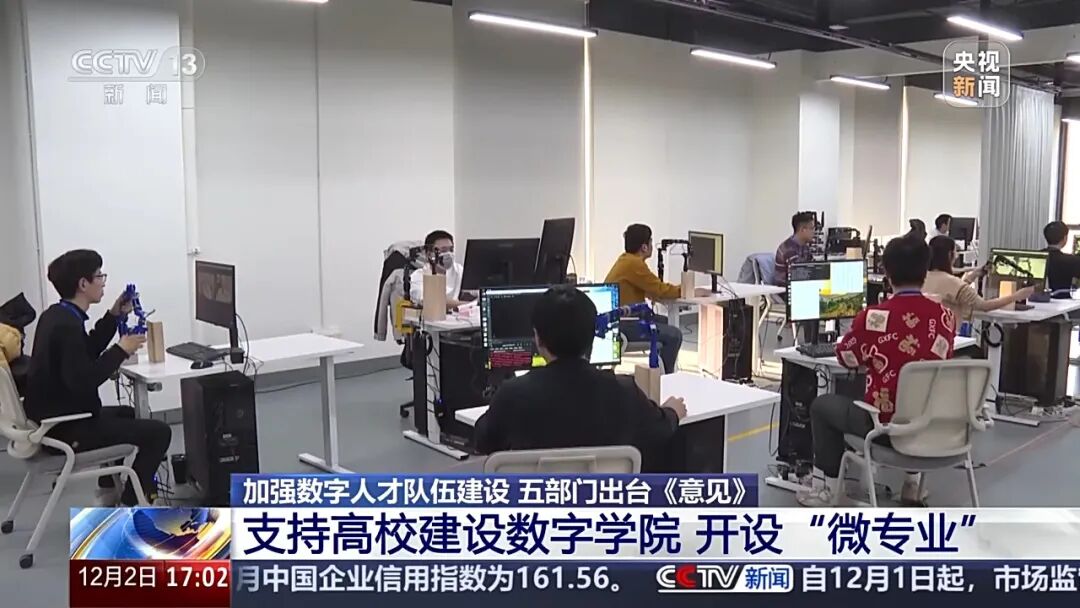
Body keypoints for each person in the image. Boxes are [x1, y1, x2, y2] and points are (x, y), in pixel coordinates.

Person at [797, 236, 956, 508]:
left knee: (823, 406)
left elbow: (847, 356)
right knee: (915, 397)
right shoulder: (945, 316)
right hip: (927, 426)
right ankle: (912, 485)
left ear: (887, 273)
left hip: (883, 429)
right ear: (925, 271)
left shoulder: (874, 317)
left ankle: (828, 489)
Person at [474, 285, 686, 471]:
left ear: (538, 338)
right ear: (594, 334)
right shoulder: (623, 390)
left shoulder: (513, 394)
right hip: (601, 500)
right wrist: (672, 411)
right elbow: (660, 429)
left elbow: (484, 442)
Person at [25, 250, 171, 506]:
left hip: (57, 419)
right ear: (83, 284)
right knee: (159, 433)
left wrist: (114, 316)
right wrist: (120, 350)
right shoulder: (66, 326)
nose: (103, 282)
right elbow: (83, 381)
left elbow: (87, 350)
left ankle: (108, 490)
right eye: (99, 276)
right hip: (66, 430)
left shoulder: (58, 315)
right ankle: (130, 503)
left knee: (128, 413)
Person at [604, 224, 684, 374]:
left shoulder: (626, 260)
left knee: (667, 322)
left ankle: (659, 371)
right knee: (674, 335)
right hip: (625, 324)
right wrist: (687, 289)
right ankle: (665, 378)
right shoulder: (634, 264)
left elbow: (650, 288)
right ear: (644, 247)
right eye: (651, 241)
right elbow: (661, 289)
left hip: (620, 320)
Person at [924, 236, 1033, 318]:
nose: (957, 256)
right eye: (956, 252)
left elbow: (954, 293)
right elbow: (984, 306)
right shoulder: (954, 283)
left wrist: (973, 276)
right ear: (950, 255)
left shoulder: (922, 278)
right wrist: (1016, 296)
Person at [409, 230, 465, 309]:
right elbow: (430, 301)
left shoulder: (459, 270)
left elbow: (476, 291)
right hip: (431, 315)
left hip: (459, 315)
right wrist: (467, 304)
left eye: (451, 250)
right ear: (429, 254)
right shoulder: (418, 276)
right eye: (443, 250)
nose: (449, 254)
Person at [772, 212, 816, 287]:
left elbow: (813, 268)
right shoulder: (788, 249)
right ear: (803, 230)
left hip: (799, 287)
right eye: (812, 228)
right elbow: (798, 276)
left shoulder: (805, 247)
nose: (814, 231)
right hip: (785, 289)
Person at [1042, 221, 1080, 298]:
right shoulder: (1072, 261)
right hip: (1064, 302)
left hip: (1036, 301)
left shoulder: (1038, 257)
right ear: (1065, 238)